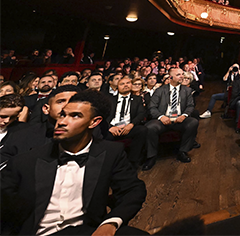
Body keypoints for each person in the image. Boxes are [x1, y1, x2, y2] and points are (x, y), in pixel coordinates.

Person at [1, 90, 147, 235]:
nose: (62, 122)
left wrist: (110, 223)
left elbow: (132, 190)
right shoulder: (26, 160)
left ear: (94, 122)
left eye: (75, 116)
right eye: (62, 115)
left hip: (88, 230)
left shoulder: (110, 152)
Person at [142, 67, 199, 170]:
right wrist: (161, 117)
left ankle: (182, 151)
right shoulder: (160, 90)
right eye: (178, 75)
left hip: (179, 119)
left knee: (193, 122)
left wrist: (184, 115)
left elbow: (190, 106)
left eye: (182, 74)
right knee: (150, 127)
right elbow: (152, 107)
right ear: (171, 77)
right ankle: (151, 156)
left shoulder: (187, 90)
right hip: (163, 119)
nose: (182, 76)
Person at [103, 76, 148, 168]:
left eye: (128, 83)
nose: (125, 85)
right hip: (112, 128)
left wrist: (131, 125)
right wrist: (110, 127)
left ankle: (132, 161)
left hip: (128, 127)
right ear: (117, 87)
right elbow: (102, 115)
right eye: (122, 84)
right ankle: (109, 165)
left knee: (142, 130)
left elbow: (141, 114)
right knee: (103, 135)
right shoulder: (109, 99)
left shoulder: (137, 99)